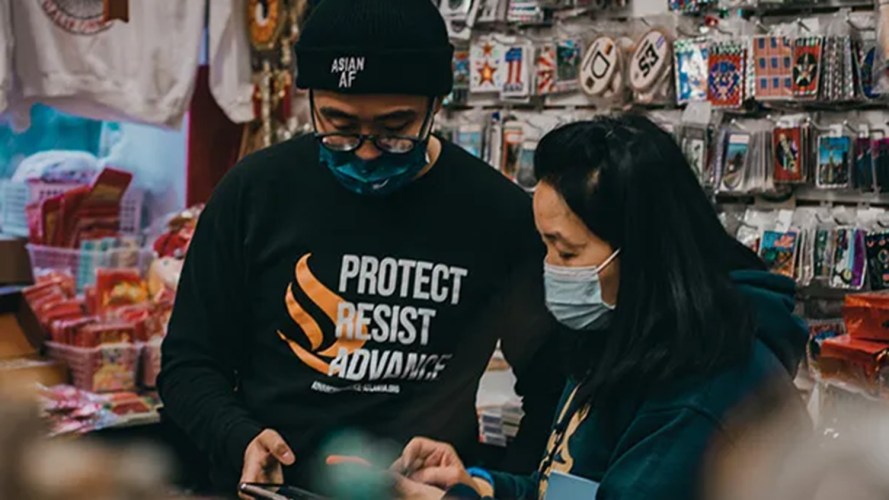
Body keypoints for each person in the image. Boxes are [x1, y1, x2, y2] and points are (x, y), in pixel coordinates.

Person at [158, 0, 563, 494]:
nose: (367, 152)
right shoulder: (255, 193)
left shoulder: (496, 212)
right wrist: (238, 438)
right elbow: (189, 365)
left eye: (395, 130)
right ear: (311, 102)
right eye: (340, 127)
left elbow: (554, 385)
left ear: (436, 104)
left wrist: (496, 485)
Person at [392, 115, 809, 500]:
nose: (550, 269)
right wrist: (483, 487)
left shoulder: (701, 392)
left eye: (568, 253)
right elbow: (569, 491)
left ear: (644, 254)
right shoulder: (621, 335)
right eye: (546, 246)